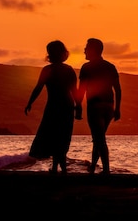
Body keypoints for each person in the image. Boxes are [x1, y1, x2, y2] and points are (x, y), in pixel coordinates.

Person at [24, 40, 78, 174]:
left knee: (53, 135)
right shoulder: (68, 69)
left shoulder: (47, 70)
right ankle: (60, 167)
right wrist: (79, 107)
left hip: (54, 106)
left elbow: (38, 88)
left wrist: (30, 102)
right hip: (66, 106)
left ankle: (57, 167)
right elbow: (74, 91)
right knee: (63, 136)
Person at [75, 37, 122, 174]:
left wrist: (78, 107)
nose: (84, 50)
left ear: (93, 50)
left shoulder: (87, 67)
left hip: (95, 106)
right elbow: (117, 89)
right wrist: (117, 108)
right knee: (98, 137)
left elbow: (81, 90)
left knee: (99, 138)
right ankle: (93, 166)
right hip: (109, 106)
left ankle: (106, 169)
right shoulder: (110, 66)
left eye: (86, 48)